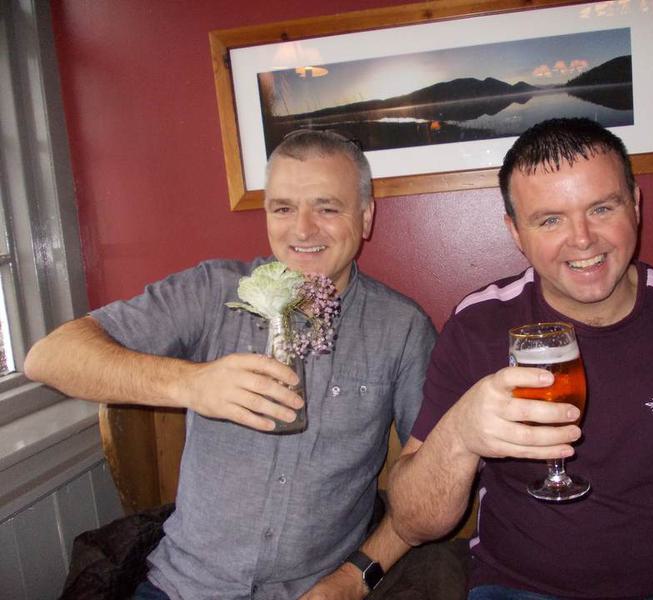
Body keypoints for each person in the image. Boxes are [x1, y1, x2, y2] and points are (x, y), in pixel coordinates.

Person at [24, 130, 436, 600]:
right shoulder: (211, 291)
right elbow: (49, 357)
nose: (302, 230)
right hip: (181, 587)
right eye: (283, 209)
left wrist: (356, 576)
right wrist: (191, 383)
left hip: (315, 591)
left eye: (326, 208)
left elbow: (430, 478)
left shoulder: (402, 328)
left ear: (365, 217)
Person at [387, 118, 653, 599]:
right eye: (549, 219)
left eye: (601, 208)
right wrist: (461, 432)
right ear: (516, 232)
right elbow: (415, 522)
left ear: (635, 204)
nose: (582, 239)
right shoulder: (478, 324)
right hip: (517, 588)